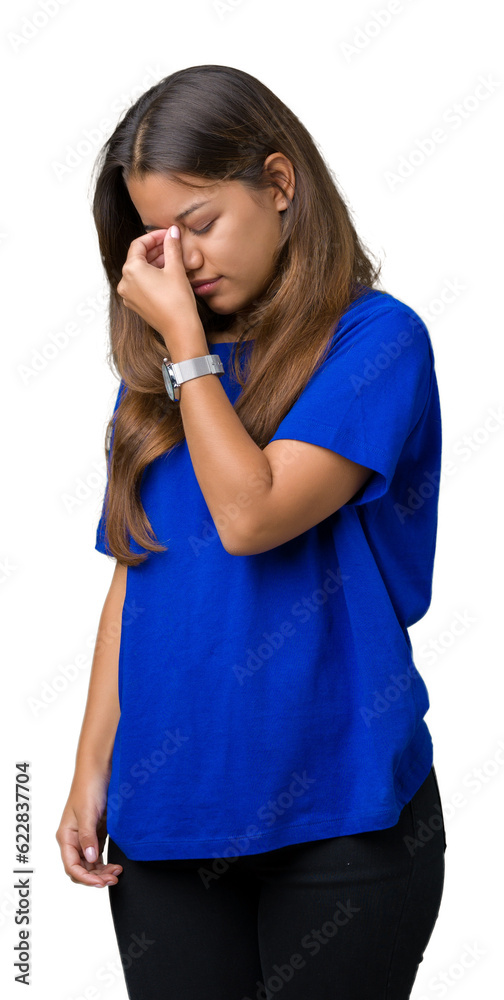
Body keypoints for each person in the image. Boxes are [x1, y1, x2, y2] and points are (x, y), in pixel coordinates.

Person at [55, 64, 447, 999]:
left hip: (342, 814)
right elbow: (134, 577)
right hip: (170, 817)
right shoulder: (158, 384)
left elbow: (253, 515)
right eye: (160, 237)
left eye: (200, 223)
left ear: (279, 184)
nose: (182, 261)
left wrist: (185, 351)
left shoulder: (377, 341)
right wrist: (89, 768)